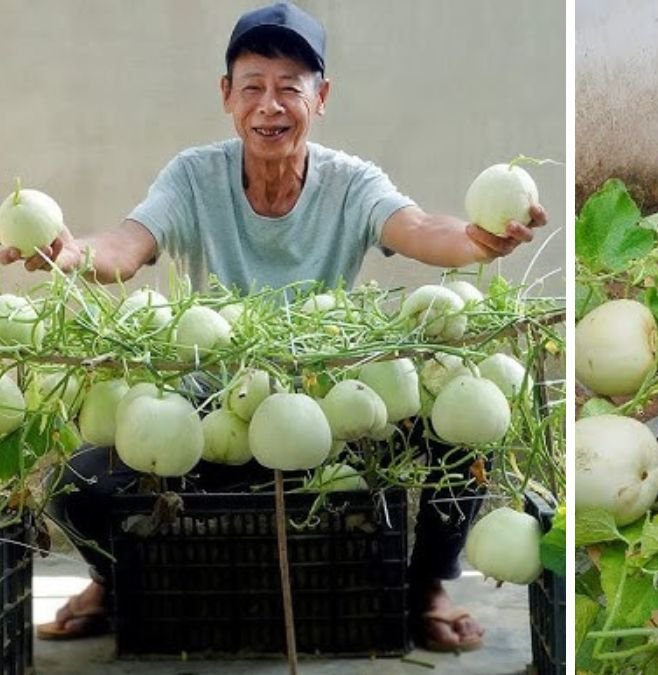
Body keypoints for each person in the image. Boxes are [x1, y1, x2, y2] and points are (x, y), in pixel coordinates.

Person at [3, 1, 546, 654]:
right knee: (81, 480)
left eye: (290, 87)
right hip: (211, 405)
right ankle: (113, 580)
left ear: (322, 98)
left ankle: (426, 586)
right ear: (227, 96)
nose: (270, 105)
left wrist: (480, 240)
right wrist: (70, 254)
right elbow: (128, 244)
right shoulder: (193, 177)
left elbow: (421, 229)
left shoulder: (351, 183)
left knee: (458, 441)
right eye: (253, 86)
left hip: (331, 406)